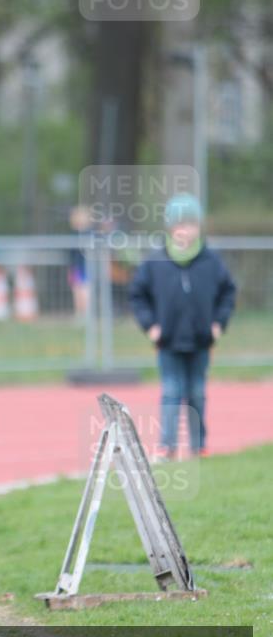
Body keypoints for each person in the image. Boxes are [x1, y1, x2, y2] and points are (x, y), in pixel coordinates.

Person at [128, 193, 236, 460]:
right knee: (172, 392)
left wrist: (218, 324)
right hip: (169, 341)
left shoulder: (211, 261)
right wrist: (150, 326)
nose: (185, 231)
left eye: (190, 224)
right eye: (179, 225)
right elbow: (137, 295)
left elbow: (227, 293)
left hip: (200, 340)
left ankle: (199, 446)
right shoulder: (155, 262)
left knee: (197, 393)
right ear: (169, 228)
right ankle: (168, 445)